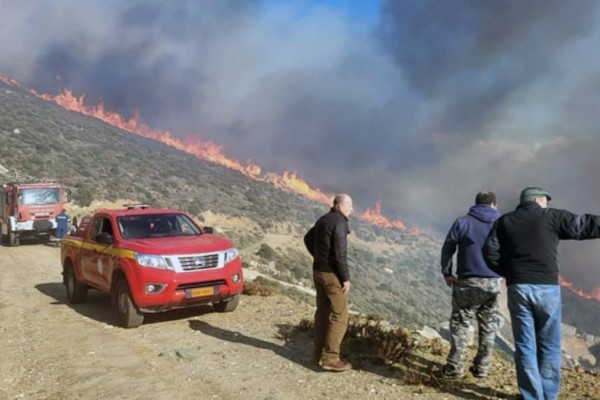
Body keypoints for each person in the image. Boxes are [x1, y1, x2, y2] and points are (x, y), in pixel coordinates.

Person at [484, 187, 600, 400]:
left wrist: (510, 272)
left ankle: (531, 396)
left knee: (525, 345)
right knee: (549, 344)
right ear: (538, 200)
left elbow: (489, 252)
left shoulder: (504, 221)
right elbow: (584, 225)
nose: (546, 203)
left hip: (518, 288)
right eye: (545, 200)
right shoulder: (552, 216)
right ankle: (548, 396)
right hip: (547, 289)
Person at [441, 191, 502, 379]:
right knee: (488, 326)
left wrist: (447, 272)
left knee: (460, 325)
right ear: (494, 204)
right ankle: (482, 368)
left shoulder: (463, 222)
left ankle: (454, 368)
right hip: (493, 283)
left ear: (476, 204)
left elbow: (448, 248)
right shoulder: (503, 223)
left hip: (467, 282)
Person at [303, 193, 353, 372]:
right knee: (340, 315)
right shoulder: (340, 223)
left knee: (322, 312)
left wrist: (319, 257)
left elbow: (307, 239)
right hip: (332, 276)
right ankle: (331, 358)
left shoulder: (323, 219)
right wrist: (345, 278)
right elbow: (340, 254)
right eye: (349, 206)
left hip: (318, 271)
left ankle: (317, 354)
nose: (352, 210)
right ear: (339, 206)